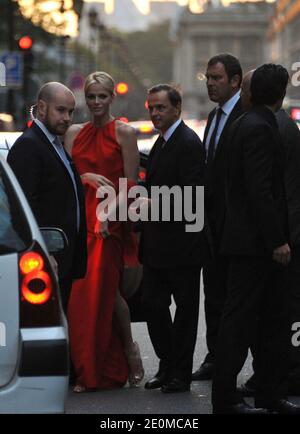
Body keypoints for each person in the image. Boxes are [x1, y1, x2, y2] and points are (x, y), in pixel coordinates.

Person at [212, 64, 300, 414]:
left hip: (243, 241)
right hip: (258, 245)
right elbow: (261, 192)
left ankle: (268, 391)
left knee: (267, 321)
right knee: (244, 321)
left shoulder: (241, 124)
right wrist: (278, 239)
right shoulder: (263, 128)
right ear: (280, 93)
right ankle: (228, 398)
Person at [64, 71, 144, 392]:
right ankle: (89, 367)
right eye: (91, 96)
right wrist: (84, 179)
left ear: (113, 98)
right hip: (79, 222)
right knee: (83, 298)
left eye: (102, 96)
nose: (96, 102)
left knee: (105, 292)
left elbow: (131, 186)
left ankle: (127, 350)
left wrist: (108, 216)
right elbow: (67, 179)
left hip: (109, 224)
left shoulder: (124, 133)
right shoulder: (73, 133)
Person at [139, 84, 206, 393]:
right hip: (157, 245)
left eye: (161, 108)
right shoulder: (162, 142)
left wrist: (156, 204)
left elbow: (194, 197)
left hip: (183, 246)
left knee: (186, 311)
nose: (154, 113)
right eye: (151, 108)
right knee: (153, 304)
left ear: (177, 109)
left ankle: (180, 373)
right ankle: (168, 365)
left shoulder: (188, 143)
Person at [237, 70, 300, 397]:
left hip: (282, 237)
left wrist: (282, 239)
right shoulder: (272, 124)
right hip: (279, 233)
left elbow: (279, 191)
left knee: (281, 314)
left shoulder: (273, 126)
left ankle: (282, 376)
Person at [7, 82, 87, 314]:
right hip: (45, 261)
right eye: (60, 110)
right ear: (42, 108)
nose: (67, 118)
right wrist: (44, 251)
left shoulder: (54, 143)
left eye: (71, 112)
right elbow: (22, 207)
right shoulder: (30, 146)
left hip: (63, 258)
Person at [192, 53, 244, 381]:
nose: (210, 83)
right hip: (212, 227)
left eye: (217, 78)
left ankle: (234, 365)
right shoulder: (213, 117)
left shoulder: (246, 116)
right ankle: (215, 356)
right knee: (213, 295)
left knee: (236, 301)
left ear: (236, 81)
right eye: (208, 78)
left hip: (237, 228)